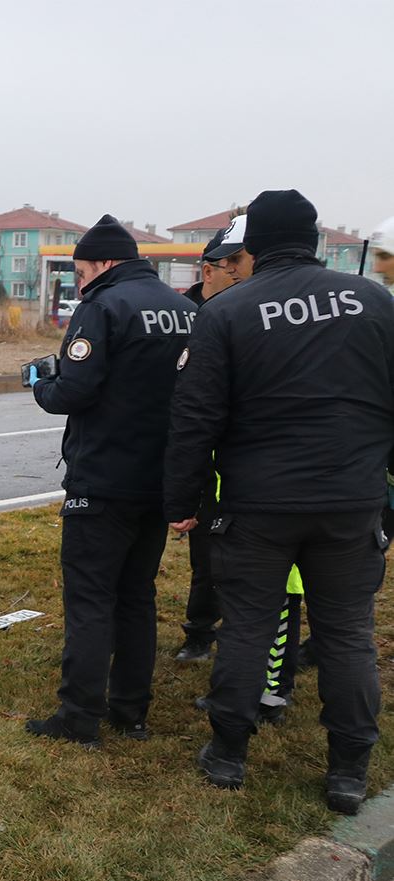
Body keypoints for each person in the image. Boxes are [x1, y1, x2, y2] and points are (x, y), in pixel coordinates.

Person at [164, 189, 394, 814]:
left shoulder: (228, 311)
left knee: (247, 626)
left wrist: (181, 499)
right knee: (348, 634)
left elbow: (194, 418)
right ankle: (348, 770)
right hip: (349, 500)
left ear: (254, 247)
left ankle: (228, 755)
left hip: (258, 503)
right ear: (314, 240)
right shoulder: (374, 301)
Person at [23, 215, 195, 747]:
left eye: (80, 273)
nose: (79, 284)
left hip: (102, 479)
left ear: (103, 263)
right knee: (137, 596)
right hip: (159, 477)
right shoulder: (185, 310)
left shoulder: (102, 307)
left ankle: (79, 717)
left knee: (91, 598)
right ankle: (131, 711)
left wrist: (41, 384)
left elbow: (74, 391)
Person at [175, 220, 248, 661]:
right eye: (231, 267)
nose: (239, 275)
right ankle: (200, 631)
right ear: (208, 271)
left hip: (244, 454)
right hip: (201, 452)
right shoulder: (184, 315)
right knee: (205, 553)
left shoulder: (251, 311)